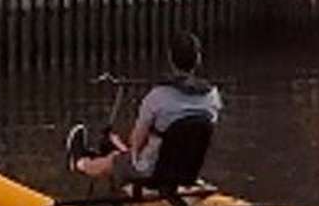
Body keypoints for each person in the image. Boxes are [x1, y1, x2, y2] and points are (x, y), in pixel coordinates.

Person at [66, 32, 223, 186]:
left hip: (152, 172)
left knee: (113, 160)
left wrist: (119, 148)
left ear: (170, 59)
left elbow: (136, 143)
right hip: (189, 171)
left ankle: (80, 163)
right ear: (198, 59)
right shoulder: (212, 96)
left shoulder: (157, 97)